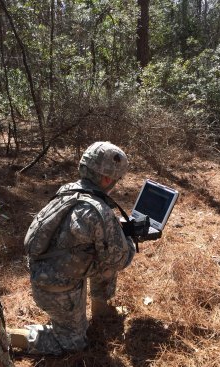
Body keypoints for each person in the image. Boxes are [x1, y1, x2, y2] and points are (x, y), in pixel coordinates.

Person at [7, 142, 136, 355]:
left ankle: (101, 309)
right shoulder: (99, 211)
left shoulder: (68, 191)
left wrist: (115, 232)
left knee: (104, 257)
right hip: (55, 288)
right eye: (116, 179)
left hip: (47, 271)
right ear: (106, 179)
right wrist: (128, 239)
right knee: (73, 343)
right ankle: (9, 336)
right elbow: (119, 260)